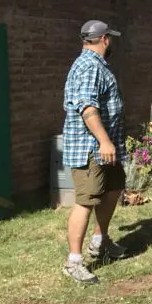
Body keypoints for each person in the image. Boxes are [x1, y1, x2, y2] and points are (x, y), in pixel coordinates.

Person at [61, 20, 128, 285]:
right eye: (110, 38)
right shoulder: (89, 66)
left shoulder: (95, 65)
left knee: (112, 189)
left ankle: (100, 242)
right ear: (105, 40)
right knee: (86, 200)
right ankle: (74, 262)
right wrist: (104, 141)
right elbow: (87, 107)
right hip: (91, 148)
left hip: (105, 148)